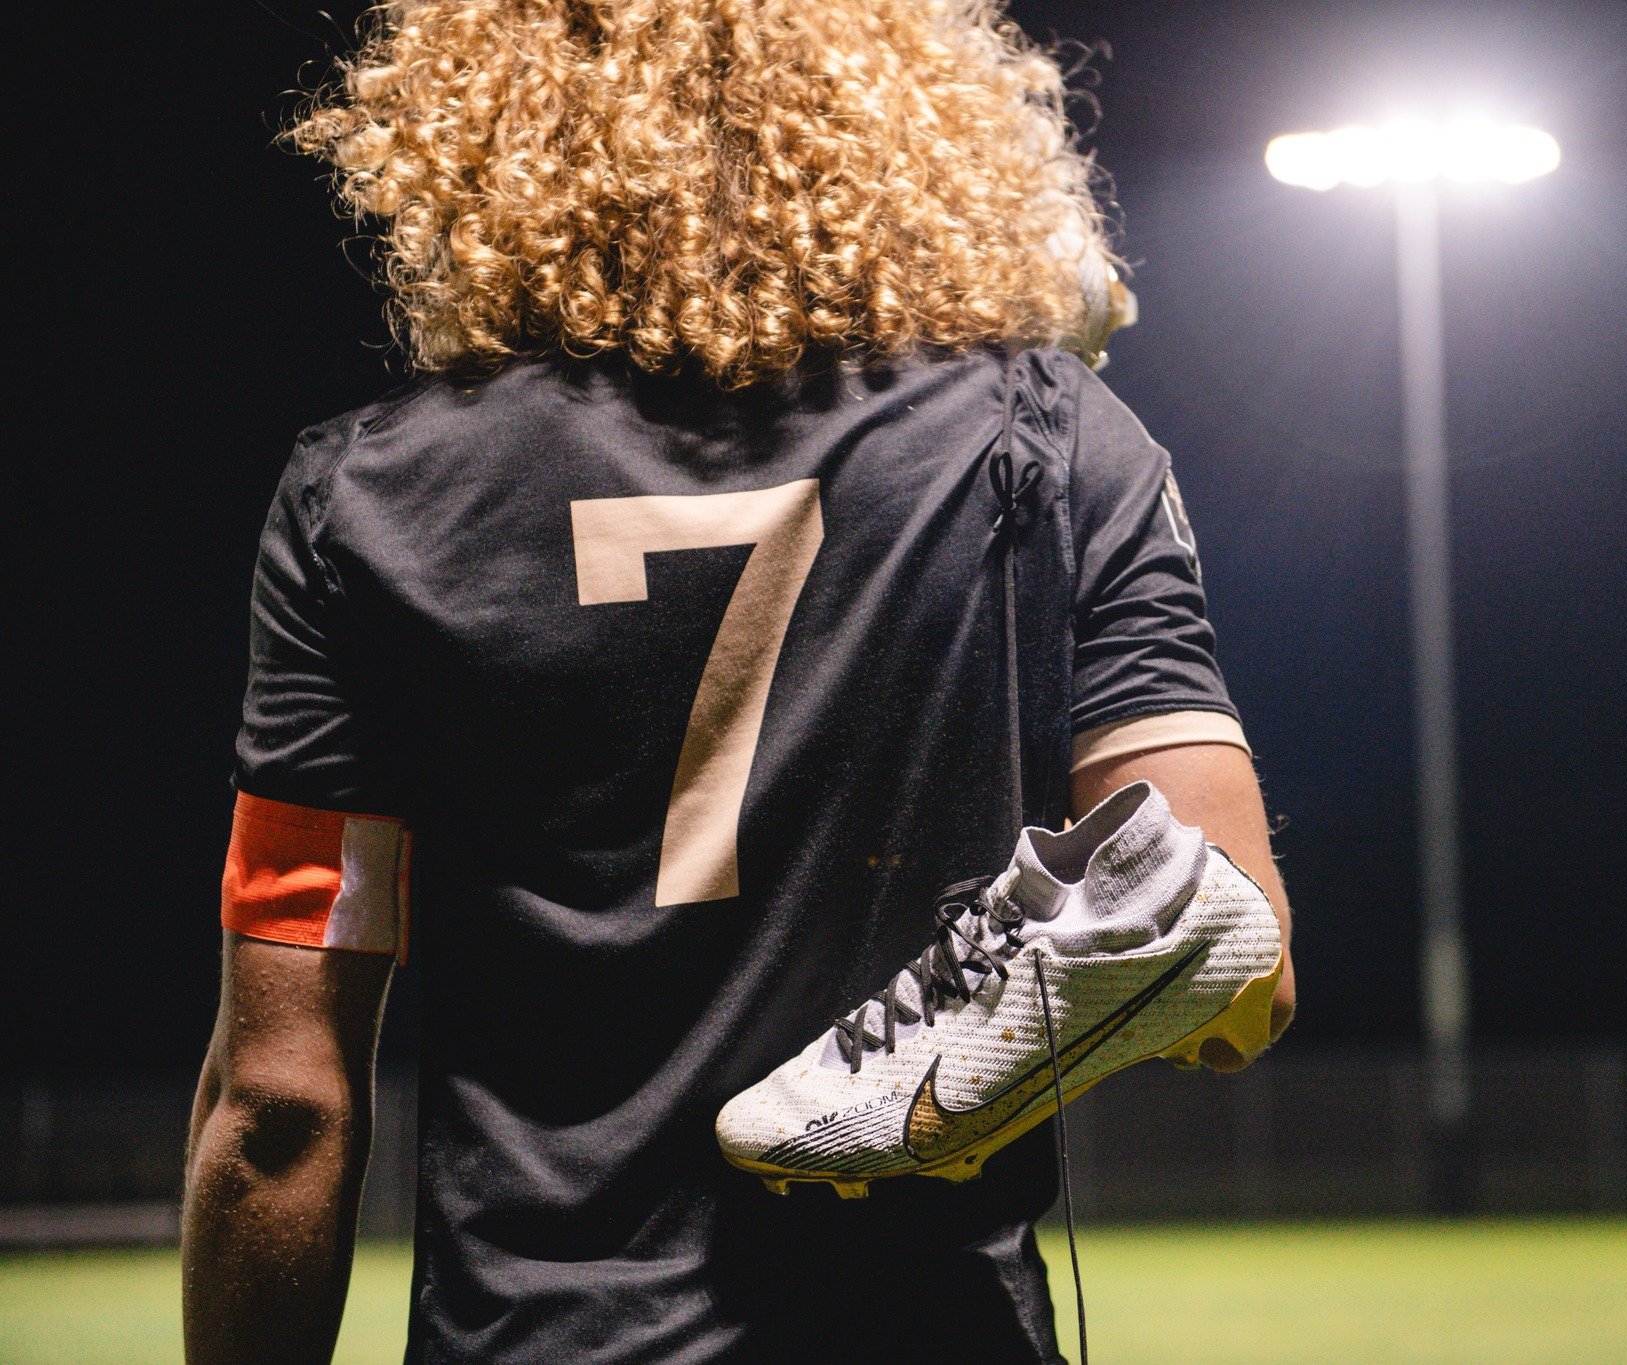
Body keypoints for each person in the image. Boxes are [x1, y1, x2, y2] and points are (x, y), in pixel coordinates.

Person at [181, 2, 1295, 1361]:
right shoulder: (1050, 439)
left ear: (481, 114)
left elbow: (282, 1104)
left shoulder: (360, 502)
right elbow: (1242, 955)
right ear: (903, 95)